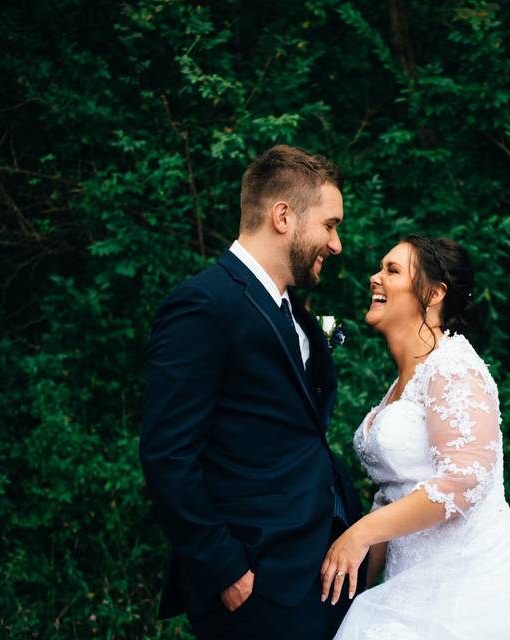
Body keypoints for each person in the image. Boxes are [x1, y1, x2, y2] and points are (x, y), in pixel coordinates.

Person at [139, 145, 363, 640]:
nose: (336, 244)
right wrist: (226, 570)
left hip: (319, 568)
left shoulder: (298, 313)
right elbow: (166, 454)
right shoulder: (202, 304)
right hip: (255, 582)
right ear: (283, 216)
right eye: (330, 225)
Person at [322, 236, 510, 639]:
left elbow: (465, 480)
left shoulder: (452, 366)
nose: (374, 278)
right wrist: (352, 579)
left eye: (392, 270)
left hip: (474, 589)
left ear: (433, 293)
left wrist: (360, 532)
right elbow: (395, 496)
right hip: (408, 585)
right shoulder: (402, 383)